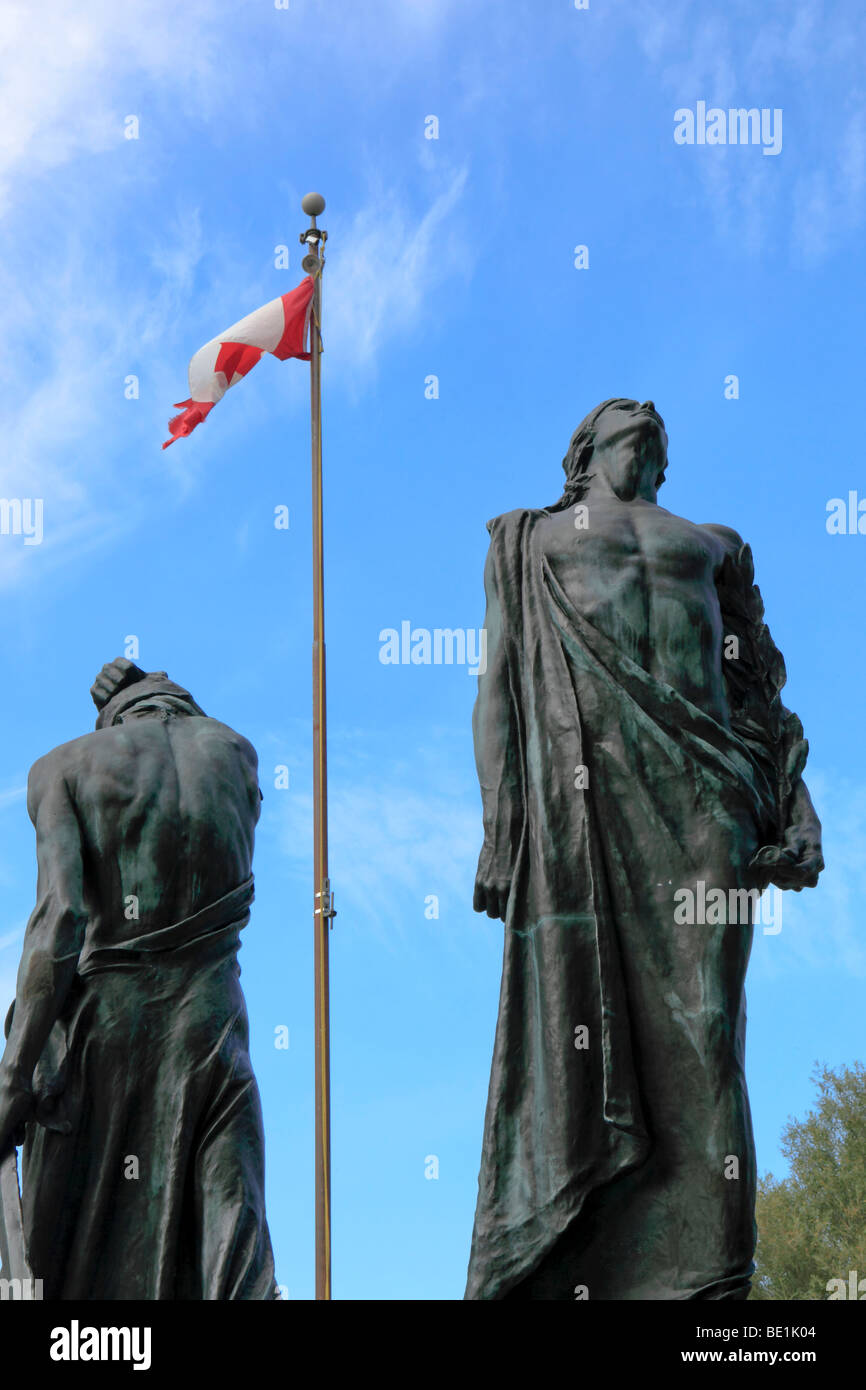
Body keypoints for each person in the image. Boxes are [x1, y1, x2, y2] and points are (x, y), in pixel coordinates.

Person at [466, 399, 823, 1300]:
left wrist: (799, 806)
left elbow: (760, 696)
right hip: (580, 807)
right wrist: (501, 828)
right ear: (583, 447)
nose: (646, 425)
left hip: (709, 795)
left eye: (654, 430)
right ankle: (580, 1256)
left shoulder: (713, 544)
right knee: (578, 1031)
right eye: (626, 425)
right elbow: (499, 692)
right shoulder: (529, 541)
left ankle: (708, 1285)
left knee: (707, 1026)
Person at [0, 658, 278, 1299]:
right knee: (231, 1245)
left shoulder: (62, 767)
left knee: (66, 1266)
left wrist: (13, 1079)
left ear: (110, 718)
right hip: (213, 1028)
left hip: (107, 1037)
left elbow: (59, 920)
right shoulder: (237, 758)